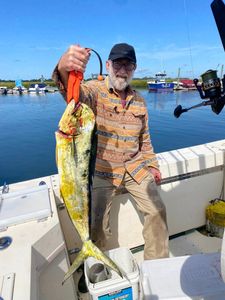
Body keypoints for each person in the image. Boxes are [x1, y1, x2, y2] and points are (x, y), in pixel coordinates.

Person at [53, 42, 169, 263]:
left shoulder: (140, 101)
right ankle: (98, 267)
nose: (123, 70)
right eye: (118, 64)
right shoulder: (95, 91)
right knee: (96, 226)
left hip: (135, 167)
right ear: (108, 65)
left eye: (129, 65)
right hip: (102, 171)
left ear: (134, 69)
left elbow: (145, 140)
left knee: (157, 211)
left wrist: (152, 165)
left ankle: (157, 266)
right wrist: (63, 68)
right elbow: (74, 96)